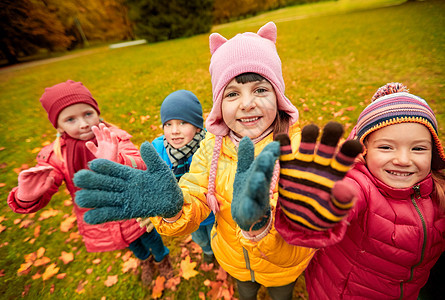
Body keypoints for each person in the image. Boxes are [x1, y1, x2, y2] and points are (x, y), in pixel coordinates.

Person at [73, 22, 348, 300]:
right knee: (245, 290)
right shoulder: (210, 148)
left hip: (283, 263)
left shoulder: (298, 150)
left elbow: (310, 217)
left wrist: (261, 222)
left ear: (279, 96)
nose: (247, 103)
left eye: (260, 90)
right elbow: (196, 194)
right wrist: (174, 208)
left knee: (281, 294)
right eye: (232, 94)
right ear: (218, 104)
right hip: (233, 257)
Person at [273, 82, 445, 299]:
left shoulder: (438, 191)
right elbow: (338, 204)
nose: (403, 160)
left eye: (418, 148)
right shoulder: (360, 185)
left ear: (434, 153)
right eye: (386, 147)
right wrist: (314, 210)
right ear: (363, 150)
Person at [7, 80, 173, 286]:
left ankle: (162, 258)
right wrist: (26, 197)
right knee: (133, 244)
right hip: (106, 215)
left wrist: (118, 161)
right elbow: (47, 185)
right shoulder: (56, 156)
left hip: (133, 208)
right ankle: (145, 261)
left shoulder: (115, 137)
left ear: (97, 111)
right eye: (71, 119)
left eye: (87, 113)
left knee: (149, 237)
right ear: (58, 125)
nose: (83, 123)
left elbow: (139, 162)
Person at [150, 89, 215, 264]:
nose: (174, 131)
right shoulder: (158, 149)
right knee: (200, 237)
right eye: (168, 124)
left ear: (197, 125)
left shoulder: (210, 145)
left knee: (216, 237)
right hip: (185, 212)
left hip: (212, 210)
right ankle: (207, 251)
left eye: (183, 123)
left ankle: (216, 253)